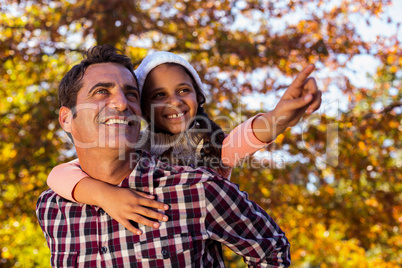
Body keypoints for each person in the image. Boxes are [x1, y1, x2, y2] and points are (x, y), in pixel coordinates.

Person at [36, 45, 293, 267]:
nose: (121, 103)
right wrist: (102, 194)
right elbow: (59, 174)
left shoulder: (200, 181)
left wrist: (278, 117)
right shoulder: (52, 208)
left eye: (130, 94)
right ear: (66, 118)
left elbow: (241, 141)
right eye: (102, 91)